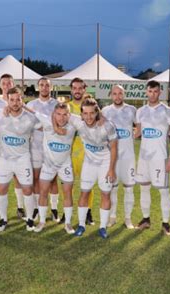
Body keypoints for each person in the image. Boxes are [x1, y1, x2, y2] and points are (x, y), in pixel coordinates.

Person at [63, 97, 117, 239]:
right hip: (89, 163)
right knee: (84, 193)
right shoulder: (77, 121)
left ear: (97, 112)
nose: (88, 116)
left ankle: (103, 227)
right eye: (85, 113)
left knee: (105, 194)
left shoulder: (107, 125)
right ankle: (81, 225)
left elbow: (114, 148)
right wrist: (56, 126)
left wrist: (111, 169)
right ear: (81, 114)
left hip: (105, 163)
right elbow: (57, 111)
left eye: (92, 113)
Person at [0, 87, 40, 232]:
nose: (15, 103)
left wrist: (30, 110)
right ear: (7, 100)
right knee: (1, 189)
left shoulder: (30, 118)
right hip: (5, 160)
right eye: (12, 100)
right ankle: (3, 219)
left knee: (27, 189)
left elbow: (46, 123)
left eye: (18, 99)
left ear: (22, 100)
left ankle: (30, 219)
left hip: (23, 159)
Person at [134, 80, 170, 236]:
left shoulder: (168, 111)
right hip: (144, 157)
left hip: (160, 158)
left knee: (164, 191)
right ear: (146, 92)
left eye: (155, 91)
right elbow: (137, 133)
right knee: (143, 188)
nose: (152, 94)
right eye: (150, 91)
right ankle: (146, 219)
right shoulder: (140, 111)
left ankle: (165, 223)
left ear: (160, 92)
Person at [24, 103, 76, 234]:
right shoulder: (46, 120)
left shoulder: (74, 123)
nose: (61, 118)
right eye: (58, 114)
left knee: (68, 193)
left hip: (65, 165)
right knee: (43, 192)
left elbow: (92, 116)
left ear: (69, 115)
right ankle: (42, 221)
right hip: (48, 165)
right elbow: (31, 110)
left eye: (65, 114)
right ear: (54, 114)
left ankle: (68, 223)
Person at [101, 85, 137, 229]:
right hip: (112, 157)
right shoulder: (105, 111)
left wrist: (134, 136)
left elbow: (139, 126)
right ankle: (113, 217)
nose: (117, 96)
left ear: (124, 94)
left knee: (129, 189)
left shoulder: (132, 110)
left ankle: (128, 219)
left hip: (128, 157)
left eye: (120, 93)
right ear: (111, 95)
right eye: (115, 94)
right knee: (113, 189)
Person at [26, 77, 60, 222]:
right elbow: (27, 123)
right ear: (38, 87)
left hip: (51, 147)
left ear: (51, 88)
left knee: (52, 180)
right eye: (42, 85)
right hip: (35, 147)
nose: (44, 87)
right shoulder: (31, 104)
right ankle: (35, 208)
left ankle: (54, 209)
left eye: (47, 85)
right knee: (36, 178)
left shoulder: (57, 104)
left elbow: (60, 123)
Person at [62, 77, 95, 225]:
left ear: (84, 89)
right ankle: (66, 212)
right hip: (68, 153)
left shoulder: (91, 107)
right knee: (67, 185)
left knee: (87, 184)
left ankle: (88, 212)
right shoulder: (65, 107)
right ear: (71, 89)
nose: (77, 90)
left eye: (80, 88)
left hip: (86, 153)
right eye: (74, 88)